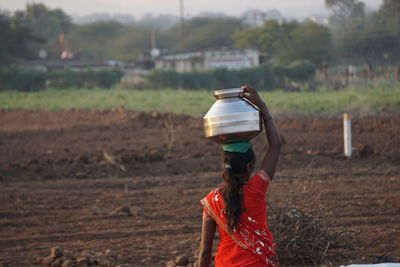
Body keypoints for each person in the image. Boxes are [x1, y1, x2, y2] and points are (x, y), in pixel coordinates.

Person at [198, 85, 283, 267]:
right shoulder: (256, 189)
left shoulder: (211, 201)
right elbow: (275, 145)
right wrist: (262, 106)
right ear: (249, 166)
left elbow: (205, 251)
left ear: (224, 167)